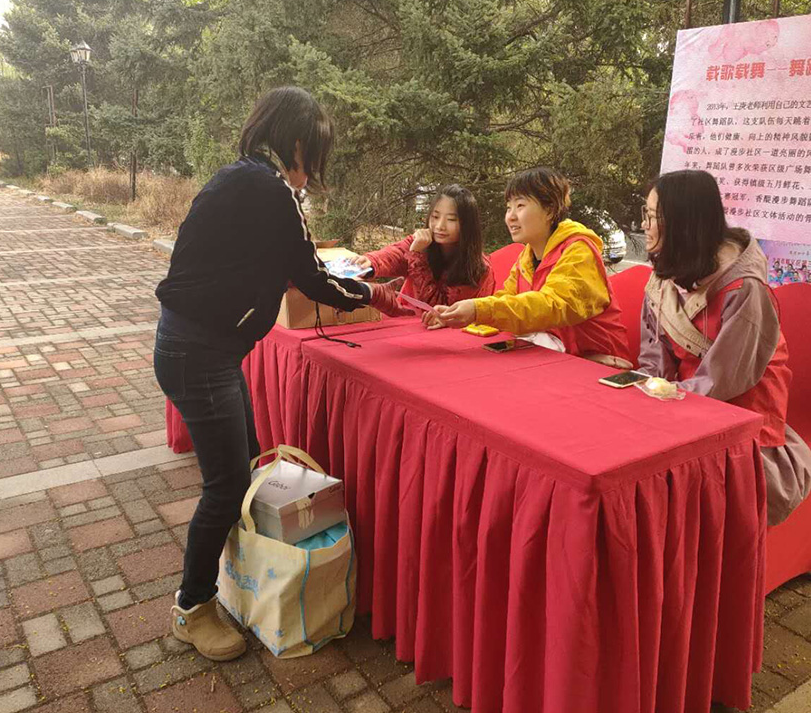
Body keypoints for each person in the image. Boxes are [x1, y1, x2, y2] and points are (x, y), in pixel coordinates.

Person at [153, 86, 406, 662]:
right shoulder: (269, 189)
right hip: (199, 354)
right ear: (296, 143)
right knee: (226, 487)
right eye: (313, 154)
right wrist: (375, 296)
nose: (312, 170)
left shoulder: (242, 178)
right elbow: (311, 276)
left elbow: (275, 265)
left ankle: (238, 573)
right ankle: (192, 607)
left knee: (245, 464)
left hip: (200, 349)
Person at [636, 169, 811, 526]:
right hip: (682, 399)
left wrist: (668, 404)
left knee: (671, 490)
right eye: (646, 214)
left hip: (737, 409)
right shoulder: (666, 274)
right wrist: (647, 393)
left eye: (652, 217)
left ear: (683, 224)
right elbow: (654, 353)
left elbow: (725, 379)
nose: (644, 225)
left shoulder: (743, 288)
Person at [424, 167, 630, 367]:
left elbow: (553, 305)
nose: (510, 216)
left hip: (597, 365)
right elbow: (506, 299)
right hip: (550, 357)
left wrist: (478, 310)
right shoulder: (527, 256)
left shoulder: (579, 252)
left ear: (550, 210)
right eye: (508, 207)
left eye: (520, 205)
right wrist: (458, 314)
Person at [351, 185, 495, 308]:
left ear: (467, 225)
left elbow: (441, 308)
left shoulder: (478, 269)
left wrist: (417, 257)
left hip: (446, 330)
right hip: (403, 319)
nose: (440, 226)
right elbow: (396, 253)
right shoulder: (423, 243)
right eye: (435, 217)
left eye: (451, 219)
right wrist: (371, 262)